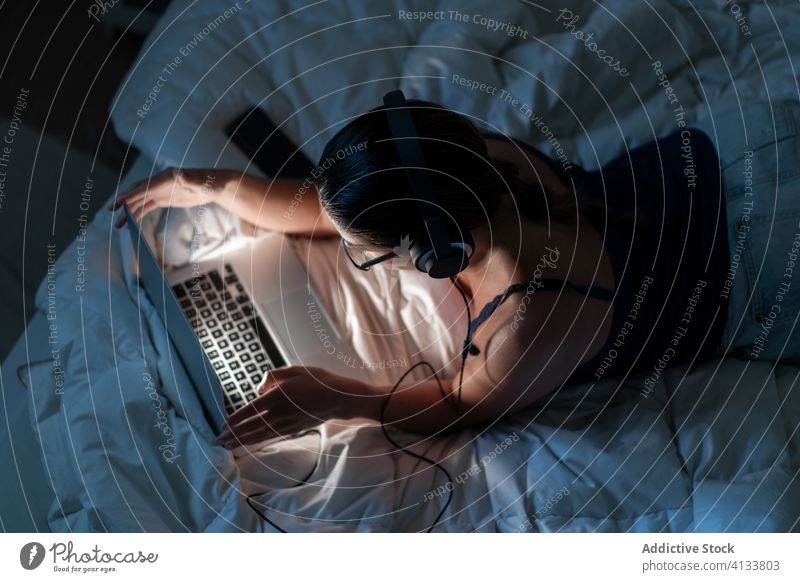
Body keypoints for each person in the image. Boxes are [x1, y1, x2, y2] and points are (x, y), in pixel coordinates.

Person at [109, 98, 800, 445]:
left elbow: (465, 405)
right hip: (728, 157)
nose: (353, 253)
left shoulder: (529, 315)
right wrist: (213, 185)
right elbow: (334, 207)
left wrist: (336, 397)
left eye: (367, 251)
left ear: (435, 251)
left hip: (768, 259)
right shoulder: (463, 161)